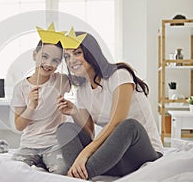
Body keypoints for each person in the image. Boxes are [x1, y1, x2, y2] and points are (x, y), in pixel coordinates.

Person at [56, 31, 163, 180]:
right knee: (65, 128)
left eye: (77, 53)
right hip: (113, 160)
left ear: (91, 53)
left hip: (141, 155)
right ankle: (80, 172)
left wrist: (85, 154)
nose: (71, 60)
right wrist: (74, 112)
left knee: (128, 126)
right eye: (67, 56)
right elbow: (89, 133)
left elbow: (116, 122)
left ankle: (80, 174)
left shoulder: (119, 75)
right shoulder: (82, 91)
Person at [11, 39, 71, 175]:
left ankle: (44, 163)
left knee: (62, 171)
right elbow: (19, 126)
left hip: (54, 144)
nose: (49, 64)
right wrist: (31, 106)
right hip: (29, 145)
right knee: (12, 171)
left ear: (60, 63)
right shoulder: (20, 88)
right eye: (44, 56)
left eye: (55, 60)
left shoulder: (62, 80)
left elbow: (84, 78)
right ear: (34, 55)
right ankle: (40, 163)